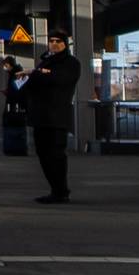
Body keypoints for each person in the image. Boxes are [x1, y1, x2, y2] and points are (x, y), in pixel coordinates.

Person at [26, 34, 82, 203]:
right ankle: (55, 190)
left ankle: (61, 191)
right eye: (51, 41)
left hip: (57, 116)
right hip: (40, 116)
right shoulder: (45, 61)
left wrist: (39, 73)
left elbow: (62, 79)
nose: (54, 44)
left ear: (65, 44)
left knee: (56, 154)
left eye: (59, 41)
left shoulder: (71, 63)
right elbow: (33, 84)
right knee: (43, 153)